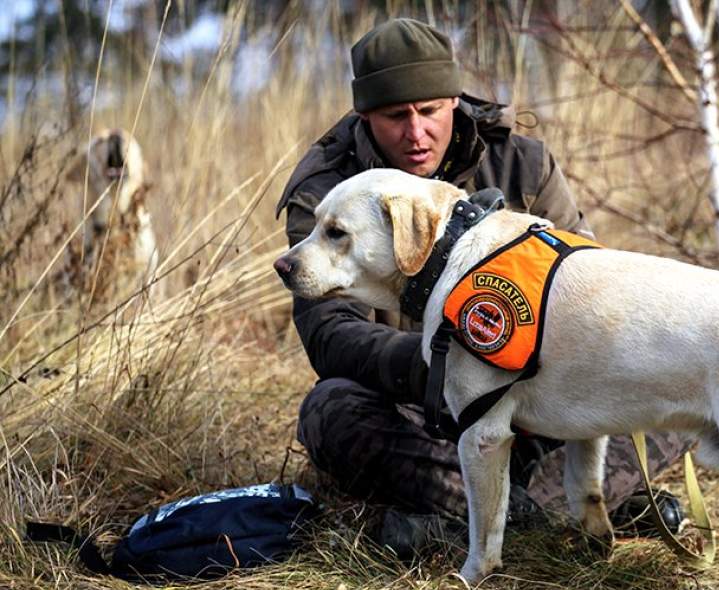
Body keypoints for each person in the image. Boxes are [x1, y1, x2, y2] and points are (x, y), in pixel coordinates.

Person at [275, 18, 689, 556]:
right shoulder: (326, 192)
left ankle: (482, 521)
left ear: (453, 100)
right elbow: (329, 335)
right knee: (331, 411)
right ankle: (562, 512)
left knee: (670, 391)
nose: (416, 132)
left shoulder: (523, 163)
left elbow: (591, 281)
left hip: (543, 393)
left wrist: (521, 363)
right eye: (396, 116)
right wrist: (452, 366)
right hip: (418, 410)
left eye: (430, 111)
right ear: (364, 115)